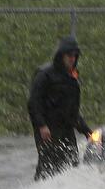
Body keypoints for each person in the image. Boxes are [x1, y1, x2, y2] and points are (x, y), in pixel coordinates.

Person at [27, 35, 93, 180]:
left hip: (66, 130)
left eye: (75, 56)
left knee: (71, 167)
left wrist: (87, 132)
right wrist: (42, 125)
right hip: (48, 130)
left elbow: (72, 111)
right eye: (69, 55)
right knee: (47, 167)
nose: (72, 59)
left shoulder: (72, 78)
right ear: (61, 55)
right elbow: (33, 102)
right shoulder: (45, 74)